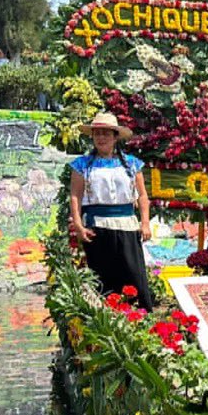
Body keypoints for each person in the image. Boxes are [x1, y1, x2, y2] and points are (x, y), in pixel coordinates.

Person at [68, 113, 155, 310]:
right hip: (97, 227)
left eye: (106, 133)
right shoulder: (82, 165)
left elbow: (142, 196)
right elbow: (75, 196)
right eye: (97, 133)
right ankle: (107, 321)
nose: (101, 138)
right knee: (103, 279)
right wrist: (79, 226)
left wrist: (145, 223)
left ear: (115, 137)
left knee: (134, 275)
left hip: (127, 225)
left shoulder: (132, 164)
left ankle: (140, 318)